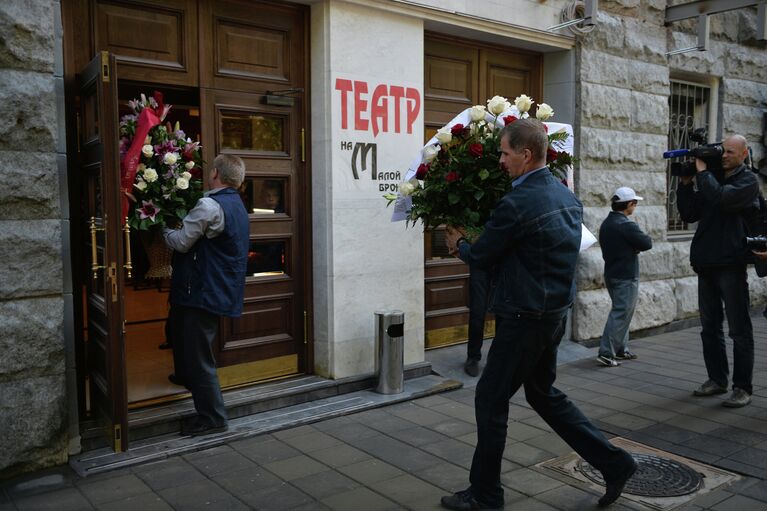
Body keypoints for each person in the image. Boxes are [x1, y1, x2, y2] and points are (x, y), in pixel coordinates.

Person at [442, 119, 637, 510]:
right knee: (543, 393)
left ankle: (486, 494)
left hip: (524, 317)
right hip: (552, 314)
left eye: (504, 152)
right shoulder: (565, 195)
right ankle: (615, 464)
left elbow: (482, 256)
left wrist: (458, 243)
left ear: (525, 155)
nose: (500, 160)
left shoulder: (519, 202)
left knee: (490, 399)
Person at [163, 154, 250, 436]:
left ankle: (212, 418)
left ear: (215, 173)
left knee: (199, 354)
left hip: (201, 290)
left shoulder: (209, 204)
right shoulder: (237, 204)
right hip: (214, 288)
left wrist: (161, 230)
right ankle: (185, 376)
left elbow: (181, 242)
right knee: (177, 331)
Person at [676, 134, 758, 408]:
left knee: (739, 330)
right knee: (709, 328)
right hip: (706, 262)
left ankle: (742, 388)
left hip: (731, 264)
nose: (724, 156)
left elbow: (723, 200)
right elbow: (688, 213)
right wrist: (686, 183)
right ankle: (717, 379)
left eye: (731, 152)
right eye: (722, 151)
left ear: (744, 154)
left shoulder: (748, 182)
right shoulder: (711, 178)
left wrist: (702, 174)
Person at [596, 187, 653, 367]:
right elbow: (647, 243)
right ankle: (607, 352)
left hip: (612, 273)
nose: (635, 206)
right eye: (634, 203)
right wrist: (633, 247)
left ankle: (621, 350)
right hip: (626, 276)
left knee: (623, 312)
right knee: (621, 314)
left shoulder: (607, 223)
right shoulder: (626, 225)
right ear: (629, 204)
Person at [464, 266, 491, 377]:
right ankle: (473, 357)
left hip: (503, 265)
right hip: (480, 263)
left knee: (503, 313)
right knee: (477, 312)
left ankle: (496, 359)